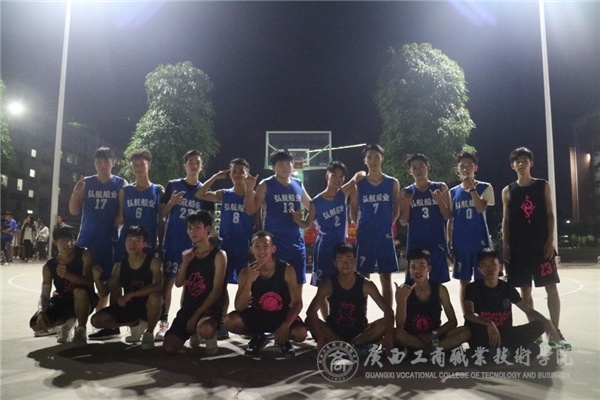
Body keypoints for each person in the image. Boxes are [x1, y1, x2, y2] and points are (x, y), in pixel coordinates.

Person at [501, 147, 570, 350]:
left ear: (531, 163)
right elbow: (506, 220)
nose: (521, 164)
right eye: (518, 161)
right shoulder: (508, 190)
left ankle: (555, 331)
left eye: (525, 161)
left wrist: (550, 240)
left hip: (541, 246)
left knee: (551, 286)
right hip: (519, 247)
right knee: (525, 290)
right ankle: (534, 331)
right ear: (512, 165)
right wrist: (505, 244)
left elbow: (549, 214)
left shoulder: (542, 185)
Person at [196, 158, 256, 337]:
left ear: (247, 174)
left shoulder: (252, 195)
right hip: (227, 245)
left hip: (245, 245)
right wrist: (215, 177)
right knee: (221, 285)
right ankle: (222, 320)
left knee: (247, 284)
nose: (237, 174)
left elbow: (259, 220)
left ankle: (245, 320)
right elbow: (200, 194)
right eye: (233, 171)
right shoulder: (225, 194)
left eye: (241, 171)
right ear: (229, 174)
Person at [223, 231, 307, 358]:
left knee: (301, 334)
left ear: (273, 249)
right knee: (230, 321)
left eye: (266, 246)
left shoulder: (287, 269)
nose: (261, 250)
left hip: (282, 314)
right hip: (258, 314)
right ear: (251, 250)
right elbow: (239, 307)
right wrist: (249, 281)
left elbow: (297, 302)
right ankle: (258, 337)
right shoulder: (245, 273)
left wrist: (286, 325)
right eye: (257, 246)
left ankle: (283, 339)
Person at [464, 249, 564, 354]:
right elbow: (468, 314)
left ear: (500, 267)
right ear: (480, 270)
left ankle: (505, 351)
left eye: (493, 264)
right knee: (479, 337)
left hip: (505, 333)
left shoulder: (507, 288)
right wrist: (488, 323)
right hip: (484, 334)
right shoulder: (473, 288)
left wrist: (547, 322)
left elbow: (527, 310)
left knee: (540, 325)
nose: (489, 268)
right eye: (484, 265)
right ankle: (509, 350)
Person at [68, 147, 127, 320]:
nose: (102, 165)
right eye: (98, 161)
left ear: (113, 163)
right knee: (82, 281)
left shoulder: (120, 183)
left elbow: (122, 215)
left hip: (110, 240)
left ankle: (101, 320)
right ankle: (77, 320)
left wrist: (120, 216)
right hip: (87, 239)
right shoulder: (86, 182)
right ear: (94, 163)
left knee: (107, 283)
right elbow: (73, 210)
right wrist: (76, 192)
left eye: (106, 161)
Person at [306, 242, 394, 356]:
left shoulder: (366, 284)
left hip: (360, 333)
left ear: (355, 261)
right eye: (340, 260)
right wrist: (320, 338)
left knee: (385, 323)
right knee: (309, 321)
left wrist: (389, 336)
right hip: (334, 332)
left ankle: (345, 347)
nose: (345, 263)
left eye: (349, 259)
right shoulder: (327, 284)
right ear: (335, 262)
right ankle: (348, 347)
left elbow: (388, 311)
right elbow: (311, 312)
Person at [292, 161, 355, 317]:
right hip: (325, 246)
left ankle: (341, 317)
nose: (338, 179)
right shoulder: (316, 202)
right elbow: (307, 224)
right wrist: (297, 220)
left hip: (342, 245)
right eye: (334, 175)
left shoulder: (342, 193)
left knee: (343, 282)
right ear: (327, 176)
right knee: (324, 286)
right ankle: (327, 320)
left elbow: (358, 176)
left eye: (341, 176)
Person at [244, 149, 311, 291]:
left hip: (296, 243)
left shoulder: (298, 184)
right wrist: (249, 189)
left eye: (288, 163)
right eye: (281, 164)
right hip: (274, 244)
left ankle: (295, 306)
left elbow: (312, 207)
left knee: (297, 285)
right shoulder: (266, 184)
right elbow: (251, 210)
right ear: (273, 167)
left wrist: (304, 222)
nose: (286, 167)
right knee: (275, 286)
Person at [162, 211, 227, 355]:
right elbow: (178, 283)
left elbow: (217, 290)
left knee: (206, 329)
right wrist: (185, 263)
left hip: (209, 309)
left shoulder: (219, 255)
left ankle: (209, 336)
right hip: (189, 307)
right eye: (190, 228)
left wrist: (196, 316)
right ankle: (194, 331)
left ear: (207, 229)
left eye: (197, 228)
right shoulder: (189, 254)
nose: (193, 232)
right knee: (169, 347)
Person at [157, 150, 206, 341]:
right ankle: (163, 322)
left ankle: (187, 323)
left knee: (191, 286)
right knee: (167, 284)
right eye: (190, 162)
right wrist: (171, 203)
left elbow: (207, 222)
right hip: (173, 243)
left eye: (197, 162)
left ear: (201, 166)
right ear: (184, 165)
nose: (194, 165)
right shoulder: (173, 185)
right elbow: (162, 214)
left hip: (193, 246)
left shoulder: (204, 191)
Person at [90, 226, 163, 349]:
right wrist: (97, 279)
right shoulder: (120, 267)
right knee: (96, 320)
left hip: (148, 306)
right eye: (129, 240)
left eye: (137, 240)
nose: (132, 244)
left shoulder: (153, 262)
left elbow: (158, 286)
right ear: (124, 243)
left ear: (144, 244)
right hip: (130, 306)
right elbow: (104, 292)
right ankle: (135, 324)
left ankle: (149, 333)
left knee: (156, 297)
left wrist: (131, 294)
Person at [29, 226, 98, 346]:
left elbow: (88, 281)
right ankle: (67, 322)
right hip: (62, 300)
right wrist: (41, 312)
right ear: (55, 242)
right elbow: (44, 294)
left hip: (85, 299)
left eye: (72, 239)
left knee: (79, 292)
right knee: (36, 324)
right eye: (64, 240)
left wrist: (67, 275)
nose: (69, 243)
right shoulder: (49, 266)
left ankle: (81, 330)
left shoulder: (84, 254)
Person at [349, 144, 399, 306]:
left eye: (376, 156)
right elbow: (353, 210)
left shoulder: (392, 182)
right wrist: (361, 226)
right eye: (369, 157)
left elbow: (396, 209)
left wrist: (387, 225)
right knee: (363, 277)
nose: (373, 160)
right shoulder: (359, 184)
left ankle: (388, 314)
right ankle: (361, 314)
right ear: (365, 161)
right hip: (365, 235)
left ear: (382, 159)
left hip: (384, 235)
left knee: (386, 277)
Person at [394, 249, 469, 354]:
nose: (417, 270)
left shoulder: (440, 289)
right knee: (397, 334)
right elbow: (400, 325)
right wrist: (402, 300)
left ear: (429, 268)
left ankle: (427, 350)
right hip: (412, 337)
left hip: (434, 335)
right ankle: (430, 350)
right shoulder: (403, 290)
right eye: (413, 267)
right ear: (409, 270)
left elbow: (453, 321)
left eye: (422, 266)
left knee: (465, 331)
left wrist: (433, 334)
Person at [447, 152, 495, 309]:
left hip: (480, 243)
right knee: (464, 283)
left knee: (483, 281)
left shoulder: (485, 187)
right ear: (457, 169)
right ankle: (468, 315)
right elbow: (450, 219)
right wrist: (450, 244)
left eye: (469, 165)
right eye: (462, 166)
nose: (466, 169)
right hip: (461, 244)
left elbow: (480, 208)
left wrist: (472, 189)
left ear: (476, 168)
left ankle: (484, 314)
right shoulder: (453, 192)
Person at [399, 153, 451, 285]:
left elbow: (447, 215)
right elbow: (403, 221)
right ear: (410, 171)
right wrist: (406, 204)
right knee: (414, 282)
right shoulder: (406, 192)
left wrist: (440, 202)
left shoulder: (440, 187)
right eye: (414, 167)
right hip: (416, 241)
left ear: (428, 167)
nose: (418, 170)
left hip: (436, 240)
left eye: (421, 166)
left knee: (437, 282)